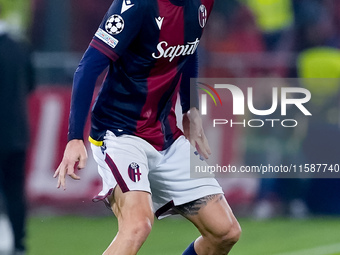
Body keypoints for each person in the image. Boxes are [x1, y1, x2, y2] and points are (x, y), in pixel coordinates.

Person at [54, 0, 241, 254]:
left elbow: (189, 47)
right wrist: (75, 137)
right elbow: (88, 67)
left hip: (166, 135)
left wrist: (190, 108)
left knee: (225, 232)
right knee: (137, 226)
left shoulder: (203, 3)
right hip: (120, 132)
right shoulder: (138, 5)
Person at [0, 5, 35, 255]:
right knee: (15, 193)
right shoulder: (19, 46)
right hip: (16, 134)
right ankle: (19, 244)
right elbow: (31, 85)